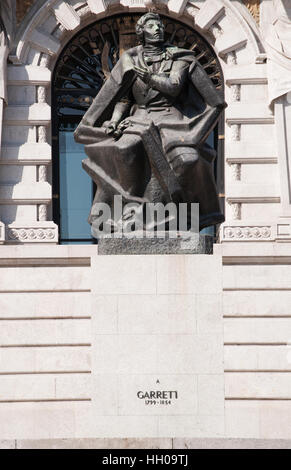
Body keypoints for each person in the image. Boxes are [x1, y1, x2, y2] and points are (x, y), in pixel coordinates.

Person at [74, 12, 227, 232]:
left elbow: (176, 87)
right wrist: (115, 121)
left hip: (172, 121)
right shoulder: (131, 60)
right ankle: (130, 209)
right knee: (125, 147)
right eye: (152, 26)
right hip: (139, 118)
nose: (158, 29)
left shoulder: (181, 58)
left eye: (159, 26)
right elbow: (123, 98)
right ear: (141, 33)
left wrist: (195, 134)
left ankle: (178, 215)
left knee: (187, 160)